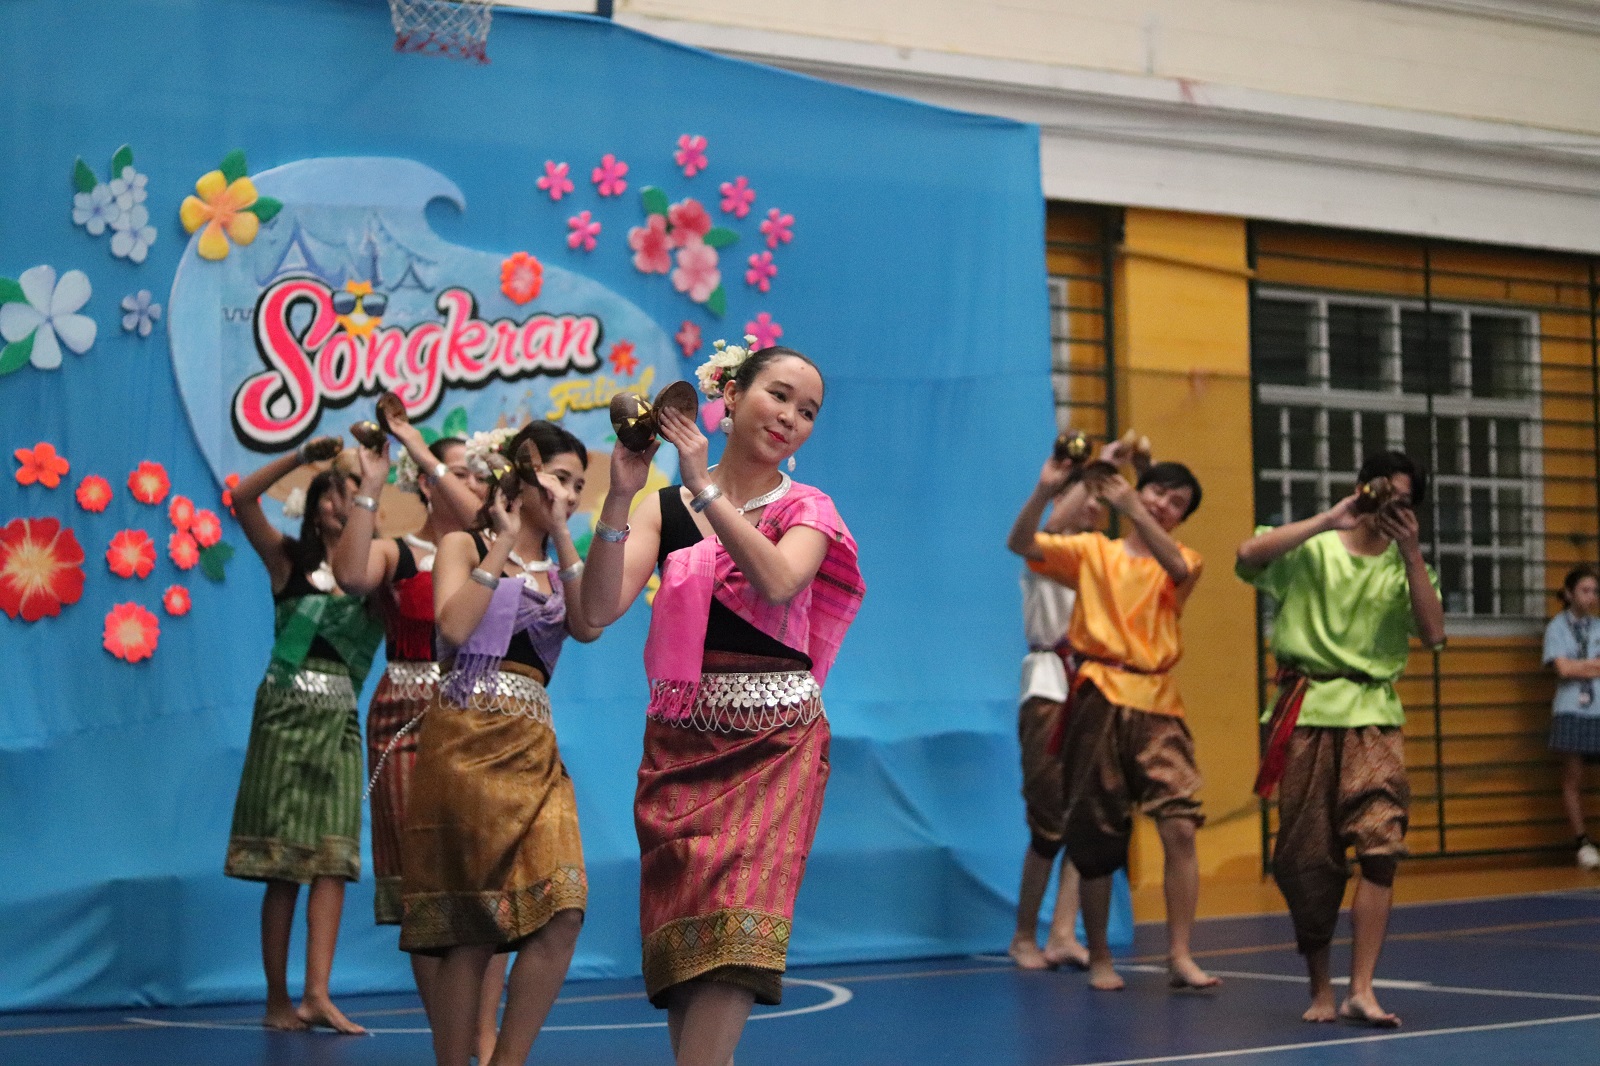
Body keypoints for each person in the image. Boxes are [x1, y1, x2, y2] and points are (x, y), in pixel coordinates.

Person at [581, 343, 865, 1066]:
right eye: (779, 396)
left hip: (775, 745)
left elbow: (775, 580)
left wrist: (704, 487)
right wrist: (620, 495)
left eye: (808, 412)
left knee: (734, 941)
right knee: (687, 957)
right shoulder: (662, 507)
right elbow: (593, 614)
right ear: (730, 395)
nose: (792, 418)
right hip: (679, 744)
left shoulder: (807, 508)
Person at [398, 421, 602, 1066]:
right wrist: (502, 547)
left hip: (534, 746)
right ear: (526, 469)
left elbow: (588, 625)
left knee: (564, 907)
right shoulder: (464, 542)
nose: (570, 493)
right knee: (472, 929)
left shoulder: (562, 563)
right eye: (560, 478)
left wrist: (561, 534)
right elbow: (454, 626)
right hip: (465, 740)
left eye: (578, 485)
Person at [1236, 451, 1444, 1028]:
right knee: (1308, 859)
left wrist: (1411, 550)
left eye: (1402, 502)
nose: (1388, 509)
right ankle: (1322, 989)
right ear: (1361, 489)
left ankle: (1362, 988)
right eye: (1381, 494)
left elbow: (1433, 632)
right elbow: (1247, 556)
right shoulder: (1316, 546)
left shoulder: (1407, 565)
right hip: (1306, 711)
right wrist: (1330, 518)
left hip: (1373, 714)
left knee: (1381, 845)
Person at [1006, 448, 1214, 993]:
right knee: (1092, 831)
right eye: (1158, 492)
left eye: (1178, 503)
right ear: (1136, 491)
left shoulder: (1184, 560)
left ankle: (1180, 955)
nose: (1165, 505)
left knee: (1180, 823)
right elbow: (1022, 544)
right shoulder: (1095, 552)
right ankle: (1093, 954)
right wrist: (1047, 487)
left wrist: (1136, 506)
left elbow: (1174, 566)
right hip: (1097, 691)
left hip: (1157, 702)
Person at [330, 424, 506, 1060]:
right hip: (404, 719)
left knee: (487, 894)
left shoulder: (500, 550)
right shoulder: (399, 553)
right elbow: (350, 575)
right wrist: (371, 491)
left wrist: (430, 460)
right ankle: (451, 1048)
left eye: (475, 474)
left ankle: (484, 1043)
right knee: (424, 897)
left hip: (485, 716)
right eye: (452, 473)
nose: (465, 483)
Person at [225, 439, 385, 1033]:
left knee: (332, 860)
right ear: (317, 505)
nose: (344, 502)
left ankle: (318, 994)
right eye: (335, 491)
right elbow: (241, 498)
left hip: (340, 725)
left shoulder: (372, 573)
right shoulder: (287, 562)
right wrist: (300, 456)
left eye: (355, 493)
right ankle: (276, 1001)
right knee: (282, 866)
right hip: (283, 723)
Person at [1007, 449, 1111, 971]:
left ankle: (1065, 931)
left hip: (1093, 688)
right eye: (1085, 496)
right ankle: (1025, 933)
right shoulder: (1046, 551)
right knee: (1048, 818)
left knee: (1087, 814)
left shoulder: (1103, 558)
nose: (1093, 506)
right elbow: (1046, 522)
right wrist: (1080, 474)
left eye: (1100, 498)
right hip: (1050, 685)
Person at [1543, 565, 1600, 871]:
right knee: (1572, 778)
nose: (1590, 597)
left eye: (1594, 591)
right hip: (1571, 709)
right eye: (1584, 590)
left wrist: (1580, 665)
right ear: (1568, 593)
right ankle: (1582, 841)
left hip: (1598, 708)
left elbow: (1575, 666)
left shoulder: (1599, 627)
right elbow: (1562, 670)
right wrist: (1590, 665)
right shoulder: (1557, 629)